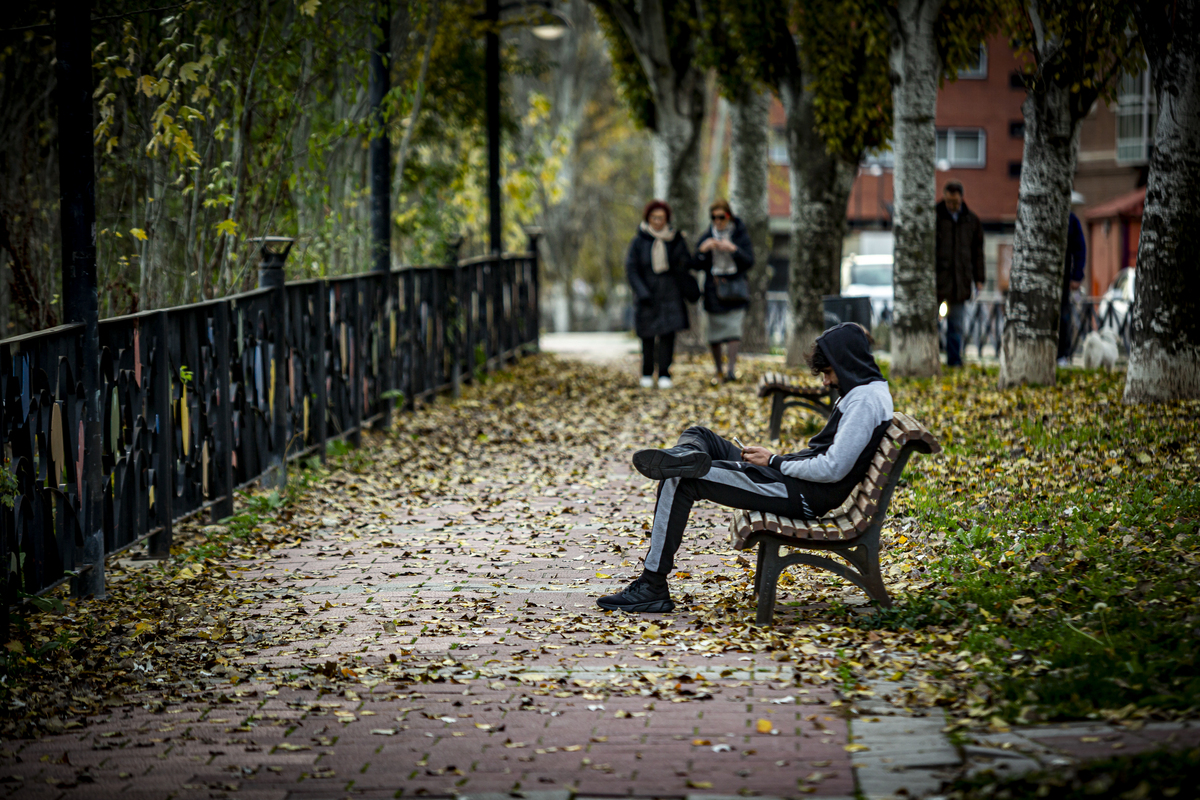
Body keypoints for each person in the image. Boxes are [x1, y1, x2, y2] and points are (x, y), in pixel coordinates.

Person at [597, 323, 893, 613]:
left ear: (846, 362)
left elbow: (833, 469)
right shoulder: (864, 392)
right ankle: (687, 455)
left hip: (799, 494)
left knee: (680, 480)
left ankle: (652, 585)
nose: (825, 382)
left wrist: (775, 461)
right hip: (789, 480)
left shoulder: (865, 401)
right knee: (700, 434)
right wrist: (776, 461)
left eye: (828, 373)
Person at [626, 200, 693, 389]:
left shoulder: (675, 239)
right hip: (647, 294)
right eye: (654, 218)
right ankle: (647, 372)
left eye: (661, 218)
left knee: (667, 335)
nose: (657, 221)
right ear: (648, 218)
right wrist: (642, 291)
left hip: (670, 293)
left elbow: (685, 264)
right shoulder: (638, 241)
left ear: (667, 219)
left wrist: (680, 246)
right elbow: (631, 269)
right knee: (647, 335)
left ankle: (664, 372)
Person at [694, 199, 754, 384]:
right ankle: (718, 370)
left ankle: (731, 370)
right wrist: (702, 251)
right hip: (714, 290)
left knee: (734, 330)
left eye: (721, 217)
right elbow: (695, 264)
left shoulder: (739, 235)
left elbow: (750, 261)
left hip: (736, 288)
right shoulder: (707, 236)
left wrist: (733, 249)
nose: (718, 221)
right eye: (714, 217)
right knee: (715, 333)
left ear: (729, 216)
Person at [935, 181, 985, 367]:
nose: (952, 206)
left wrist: (979, 279)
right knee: (933, 325)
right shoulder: (935, 217)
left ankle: (954, 361)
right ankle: (932, 359)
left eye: (955, 202)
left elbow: (977, 253)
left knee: (956, 325)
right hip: (937, 283)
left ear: (961, 199)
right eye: (949, 201)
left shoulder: (972, 221)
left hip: (959, 284)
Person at [1056, 203, 1087, 366]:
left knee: (1063, 317)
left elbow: (1080, 249)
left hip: (1064, 278)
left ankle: (1062, 355)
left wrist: (1076, 275)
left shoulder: (1070, 219)